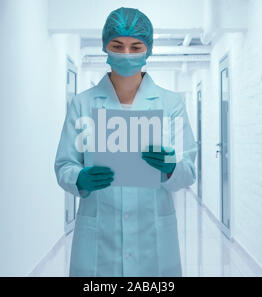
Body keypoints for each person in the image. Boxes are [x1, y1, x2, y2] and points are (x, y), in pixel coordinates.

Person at [55, 7, 197, 277]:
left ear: (149, 49)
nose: (127, 54)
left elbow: (188, 171)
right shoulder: (83, 104)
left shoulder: (171, 104)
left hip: (153, 236)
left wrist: (170, 168)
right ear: (105, 47)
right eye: (117, 46)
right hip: (98, 240)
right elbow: (64, 165)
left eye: (136, 46)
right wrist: (79, 178)